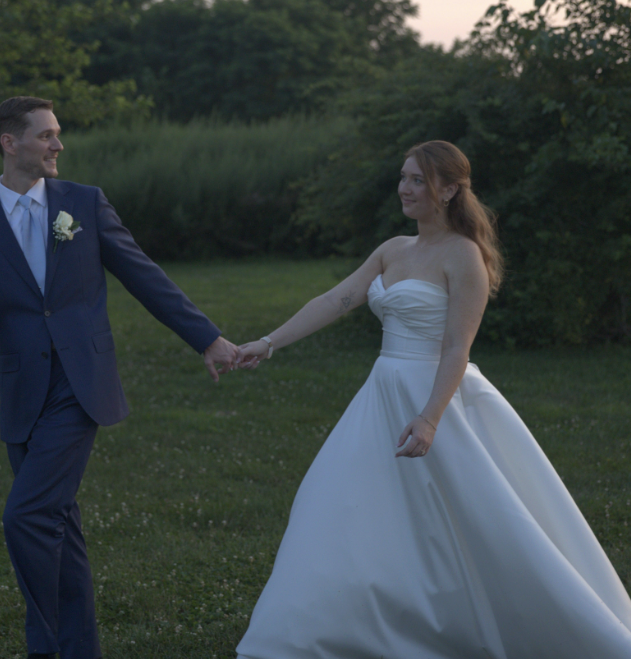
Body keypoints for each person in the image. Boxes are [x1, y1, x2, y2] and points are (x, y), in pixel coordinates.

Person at [234, 141, 631, 658]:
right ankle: (312, 631)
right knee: (338, 503)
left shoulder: (464, 255)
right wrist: (267, 344)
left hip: (437, 397)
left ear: (448, 188)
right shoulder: (392, 249)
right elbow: (337, 299)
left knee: (468, 521)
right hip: (382, 393)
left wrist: (429, 418)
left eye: (418, 180)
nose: (405, 188)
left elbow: (456, 348)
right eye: (403, 177)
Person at [0, 96, 238, 659]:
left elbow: (144, 275)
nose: (58, 145)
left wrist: (207, 337)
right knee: (56, 525)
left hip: (82, 386)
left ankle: (44, 647)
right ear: (11, 143)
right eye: (46, 135)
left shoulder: (83, 202)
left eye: (58, 135)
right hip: (22, 393)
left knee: (25, 517)